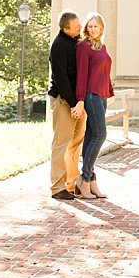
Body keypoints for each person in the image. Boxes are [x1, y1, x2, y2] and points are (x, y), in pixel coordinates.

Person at [47, 10, 86, 201]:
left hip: (77, 102)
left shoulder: (74, 41)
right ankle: (57, 187)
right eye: (77, 26)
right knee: (61, 144)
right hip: (65, 101)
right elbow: (61, 78)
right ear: (65, 28)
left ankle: (71, 182)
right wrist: (73, 103)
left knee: (76, 143)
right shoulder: (59, 46)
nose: (81, 27)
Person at [76, 12, 114, 200]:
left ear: (101, 28)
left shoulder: (102, 46)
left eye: (96, 26)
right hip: (91, 96)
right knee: (101, 135)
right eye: (90, 26)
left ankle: (91, 182)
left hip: (102, 95)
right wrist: (81, 99)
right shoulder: (84, 47)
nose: (92, 29)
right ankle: (84, 180)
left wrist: (110, 91)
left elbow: (105, 72)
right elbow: (82, 74)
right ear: (86, 28)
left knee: (91, 135)